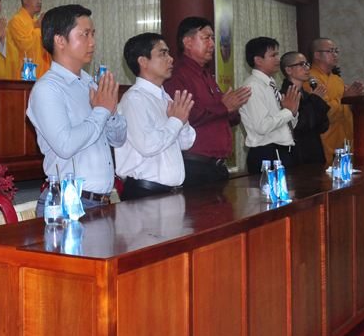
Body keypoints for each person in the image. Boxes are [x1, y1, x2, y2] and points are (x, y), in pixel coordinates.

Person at [27, 4, 126, 216]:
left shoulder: (91, 84)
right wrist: (101, 111)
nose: (93, 42)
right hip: (68, 203)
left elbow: (119, 139)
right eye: (85, 34)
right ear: (60, 40)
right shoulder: (47, 89)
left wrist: (110, 114)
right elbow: (65, 145)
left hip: (103, 200)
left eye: (93, 34)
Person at [163, 17, 251, 187]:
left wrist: (232, 109)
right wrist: (223, 107)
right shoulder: (178, 75)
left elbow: (226, 116)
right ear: (187, 42)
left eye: (213, 39)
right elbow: (186, 118)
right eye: (206, 38)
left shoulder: (205, 75)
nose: (212, 45)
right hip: (195, 166)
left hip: (217, 167)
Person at [115, 33, 196, 200]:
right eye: (163, 53)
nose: (171, 59)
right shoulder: (134, 99)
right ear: (143, 61)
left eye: (169, 53)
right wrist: (176, 121)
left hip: (170, 193)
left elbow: (186, 142)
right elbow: (148, 145)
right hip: (144, 192)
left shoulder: (165, 97)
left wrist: (181, 120)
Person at [239, 37, 299, 173]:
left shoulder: (270, 84)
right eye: (273, 55)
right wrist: (288, 112)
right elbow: (262, 126)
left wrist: (293, 113)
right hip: (266, 154)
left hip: (280, 151)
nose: (279, 59)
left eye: (277, 54)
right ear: (258, 60)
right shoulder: (252, 87)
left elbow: (286, 123)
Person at [307, 38, 364, 157]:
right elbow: (322, 111)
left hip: (345, 139)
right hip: (325, 141)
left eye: (336, 51)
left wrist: (354, 100)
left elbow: (346, 109)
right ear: (317, 55)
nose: (335, 55)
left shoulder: (337, 80)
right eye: (330, 51)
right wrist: (345, 100)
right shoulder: (311, 78)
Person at [280, 51, 330, 165]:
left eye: (307, 64)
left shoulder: (308, 95)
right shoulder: (284, 96)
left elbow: (323, 127)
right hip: (297, 153)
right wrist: (314, 101)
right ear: (289, 70)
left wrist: (317, 101)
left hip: (315, 151)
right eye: (302, 64)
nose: (307, 68)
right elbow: (299, 124)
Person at [8, 0, 52, 78]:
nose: (39, 1)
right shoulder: (16, 21)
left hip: (43, 72)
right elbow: (25, 47)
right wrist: (38, 30)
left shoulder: (37, 21)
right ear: (25, 0)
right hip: (26, 74)